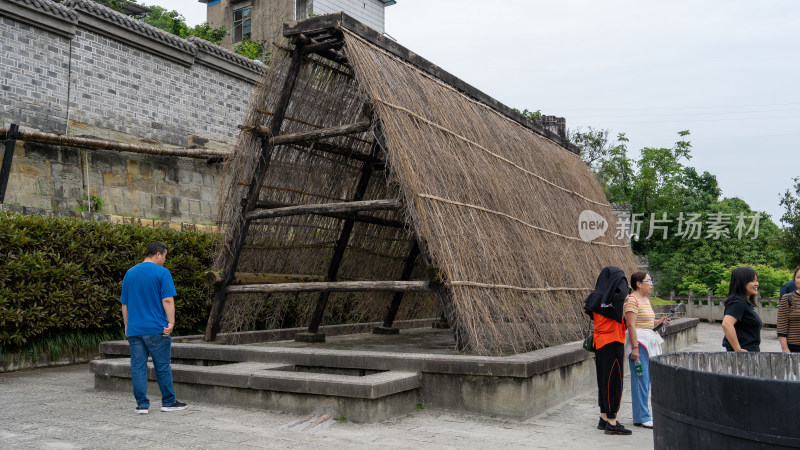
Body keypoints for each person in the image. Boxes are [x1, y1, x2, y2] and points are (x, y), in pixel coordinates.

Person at [120, 241, 187, 414]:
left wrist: (127, 324)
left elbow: (124, 304)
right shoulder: (162, 273)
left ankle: (142, 405)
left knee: (138, 367)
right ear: (158, 254)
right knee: (162, 366)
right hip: (156, 329)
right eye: (165, 256)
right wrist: (171, 322)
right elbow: (167, 299)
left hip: (135, 329)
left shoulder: (130, 273)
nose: (165, 259)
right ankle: (168, 402)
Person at [584, 266, 632, 435]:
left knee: (604, 380)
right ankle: (612, 422)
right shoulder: (615, 301)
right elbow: (623, 295)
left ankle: (604, 417)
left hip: (600, 342)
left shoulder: (597, 298)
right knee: (614, 381)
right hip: (613, 342)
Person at [624, 272, 670, 429]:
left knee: (647, 379)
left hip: (648, 340)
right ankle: (642, 416)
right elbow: (631, 325)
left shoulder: (645, 299)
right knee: (641, 379)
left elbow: (648, 323)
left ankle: (642, 415)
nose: (651, 284)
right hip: (640, 343)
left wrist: (660, 321)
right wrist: (635, 348)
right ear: (638, 283)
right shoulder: (632, 300)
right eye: (648, 281)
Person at [721, 266, 762, 352]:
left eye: (756, 280)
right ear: (742, 282)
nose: (756, 283)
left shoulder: (745, 302)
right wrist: (737, 349)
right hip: (740, 356)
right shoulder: (738, 301)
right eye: (752, 281)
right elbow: (727, 324)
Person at [777, 267, 800, 352]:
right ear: (794, 280)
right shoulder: (787, 298)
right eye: (798, 277)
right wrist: (785, 348)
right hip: (794, 348)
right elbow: (781, 326)